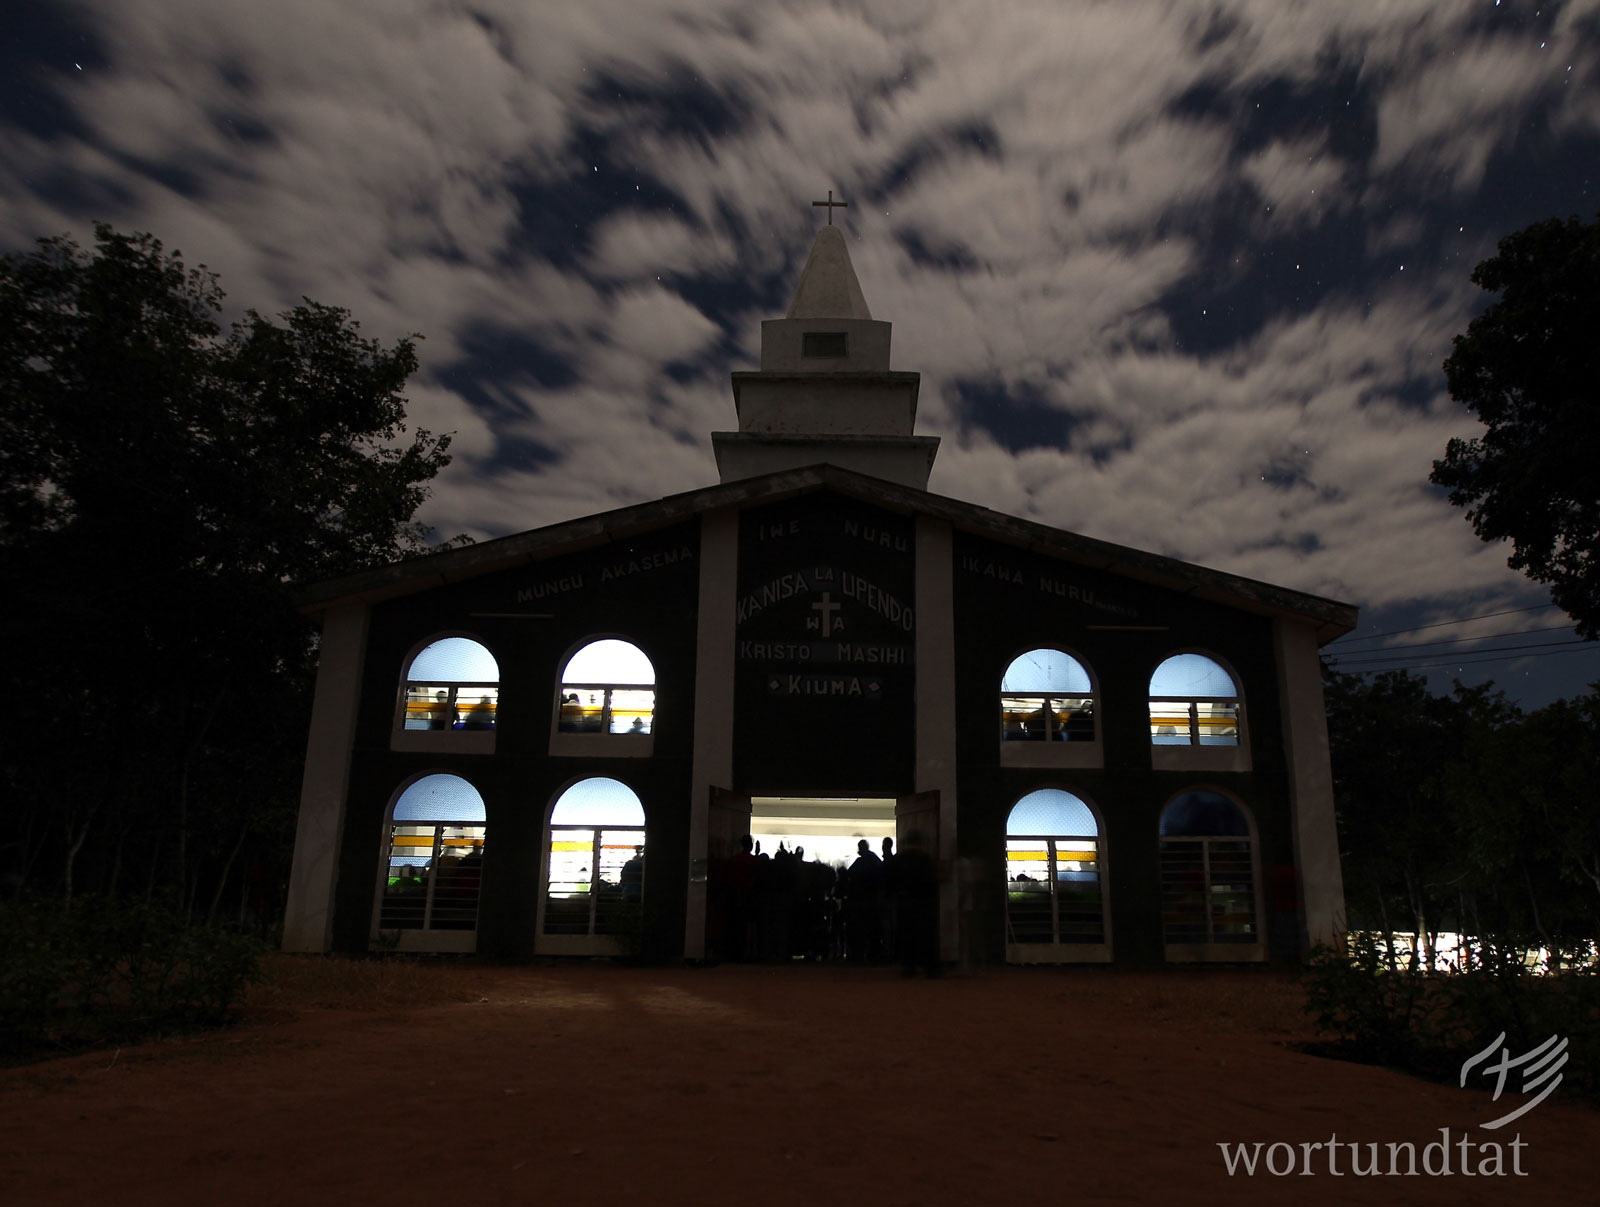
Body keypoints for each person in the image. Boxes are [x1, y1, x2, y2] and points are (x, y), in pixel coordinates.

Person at [846, 838, 884, 962]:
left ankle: (860, 954)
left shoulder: (860, 862)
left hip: (861, 900)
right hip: (872, 899)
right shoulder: (875, 860)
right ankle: (873, 955)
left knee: (861, 928)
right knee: (872, 929)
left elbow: (850, 874)